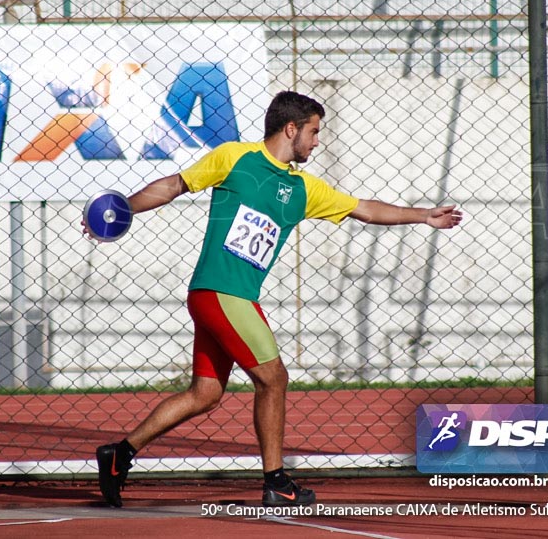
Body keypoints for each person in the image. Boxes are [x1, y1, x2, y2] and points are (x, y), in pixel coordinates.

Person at [91, 90, 463, 508]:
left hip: (228, 297)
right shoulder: (236, 158)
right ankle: (276, 481)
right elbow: (174, 185)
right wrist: (121, 208)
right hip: (221, 293)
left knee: (205, 395)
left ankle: (119, 455)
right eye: (314, 132)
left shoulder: (304, 188)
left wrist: (423, 216)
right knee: (274, 378)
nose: (318, 142)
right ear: (291, 129)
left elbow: (366, 209)